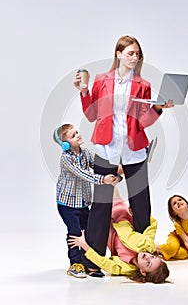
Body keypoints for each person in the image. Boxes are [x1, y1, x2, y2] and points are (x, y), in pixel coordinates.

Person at [74, 35, 174, 276]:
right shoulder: (101, 80)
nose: (134, 57)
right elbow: (90, 115)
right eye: (129, 53)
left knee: (141, 203)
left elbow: (143, 121)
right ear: (118, 53)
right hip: (106, 148)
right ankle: (94, 261)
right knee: (101, 204)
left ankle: (143, 254)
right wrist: (84, 91)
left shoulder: (143, 84)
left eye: (137, 54)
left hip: (134, 149)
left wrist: (159, 108)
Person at [53, 123, 120, 278]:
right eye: (73, 135)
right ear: (65, 144)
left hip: (82, 202)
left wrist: (111, 173)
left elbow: (96, 165)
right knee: (75, 232)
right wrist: (103, 180)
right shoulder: (67, 159)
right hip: (67, 204)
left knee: (88, 232)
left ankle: (88, 262)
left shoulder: (85, 153)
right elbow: (84, 174)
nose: (78, 135)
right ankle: (75, 264)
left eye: (77, 132)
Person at [67, 189, 170, 284]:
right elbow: (153, 224)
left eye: (148, 263)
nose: (147, 256)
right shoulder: (149, 245)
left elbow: (103, 263)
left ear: (143, 272)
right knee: (110, 185)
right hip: (120, 214)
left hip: (105, 226)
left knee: (99, 195)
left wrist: (83, 244)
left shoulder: (124, 268)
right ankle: (112, 171)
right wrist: (134, 215)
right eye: (152, 257)